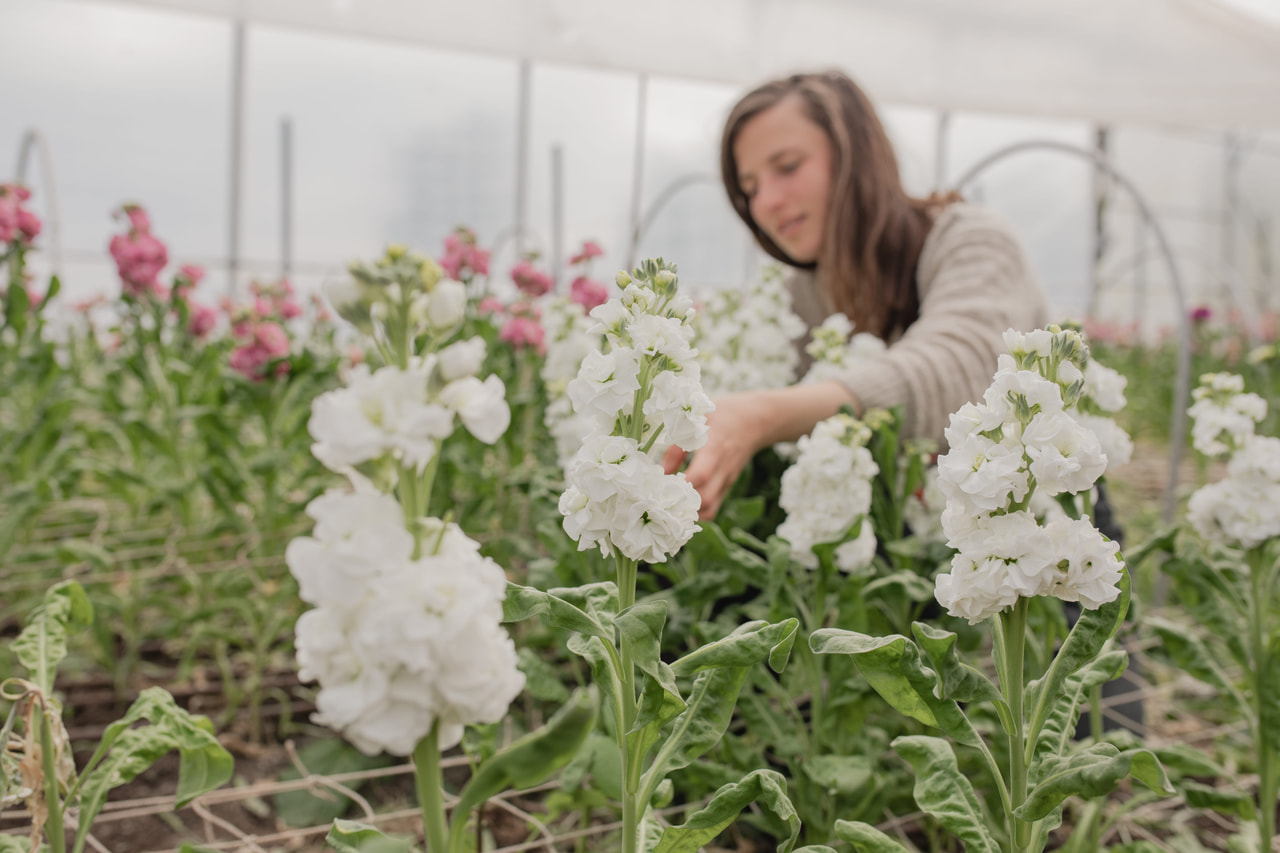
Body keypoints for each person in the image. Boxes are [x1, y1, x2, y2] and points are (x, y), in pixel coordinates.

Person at [663, 70, 1050, 520]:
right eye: (749, 188)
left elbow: (958, 370)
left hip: (1035, 540)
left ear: (855, 156)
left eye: (787, 167)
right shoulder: (797, 300)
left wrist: (761, 417)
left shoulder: (970, 241)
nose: (766, 201)